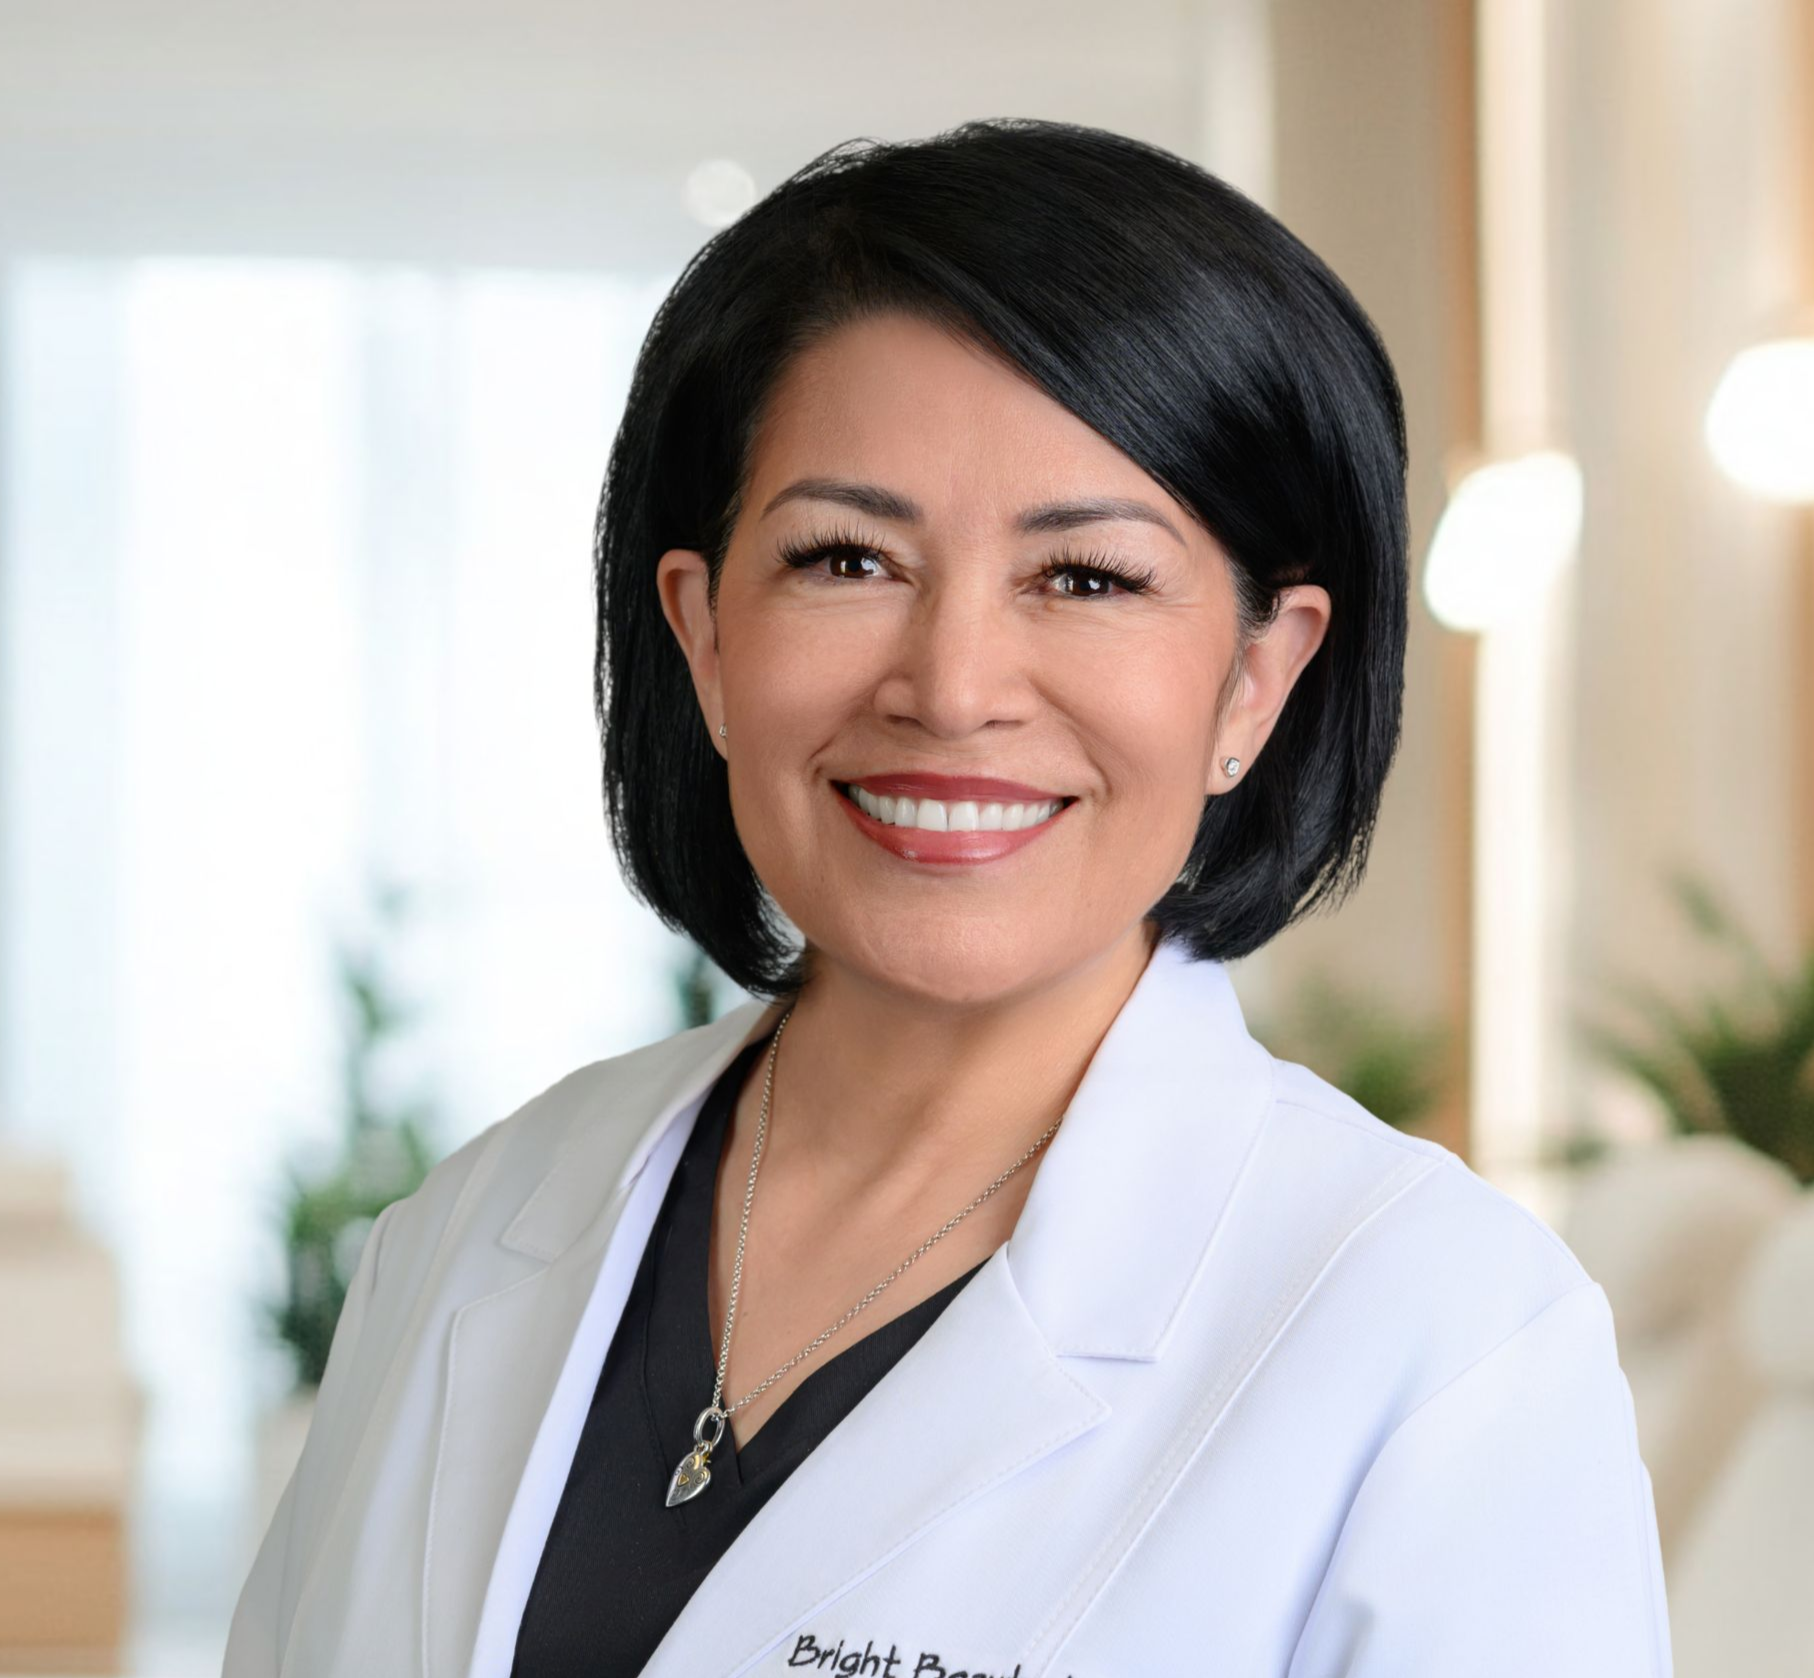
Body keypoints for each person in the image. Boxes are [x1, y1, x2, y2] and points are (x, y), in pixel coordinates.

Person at [223, 118, 1673, 1677]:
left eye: (1088, 577)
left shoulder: (1439, 1339)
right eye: (847, 559)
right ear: (705, 634)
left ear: (1257, 676)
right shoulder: (473, 1229)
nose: (953, 686)